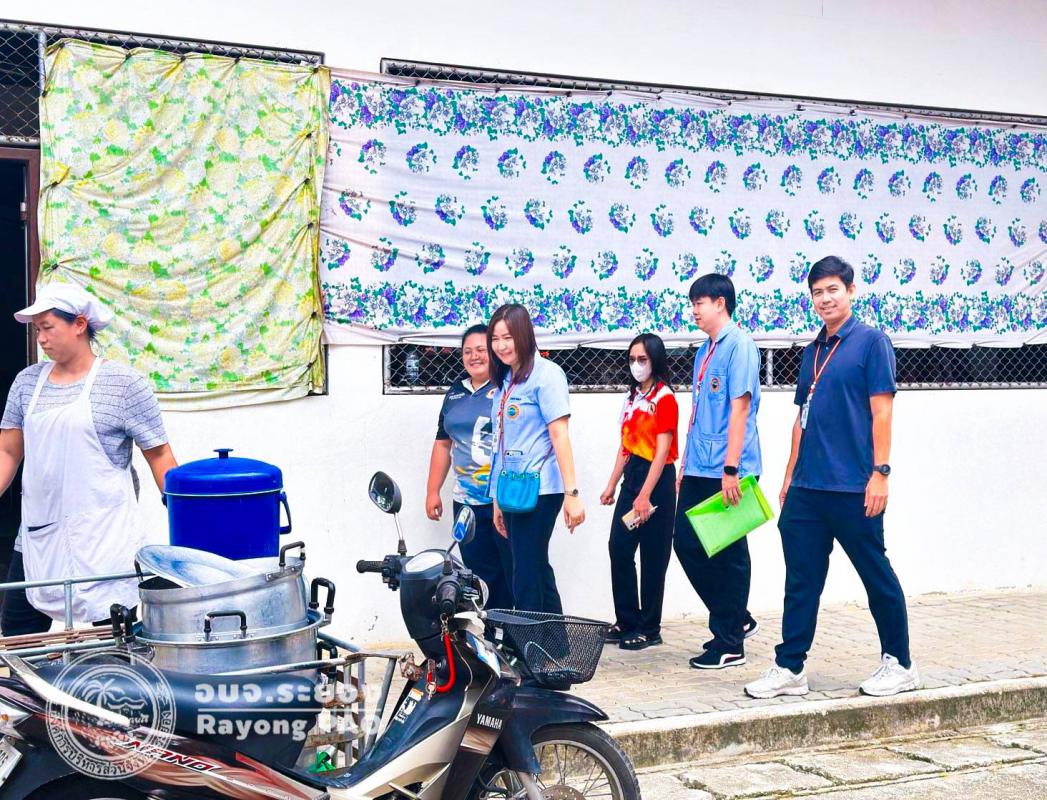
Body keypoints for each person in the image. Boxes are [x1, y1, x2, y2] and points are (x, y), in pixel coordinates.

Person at [745, 256, 919, 700]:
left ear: (850, 290)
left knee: (875, 574)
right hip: (808, 488)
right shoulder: (812, 351)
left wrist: (881, 473)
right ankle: (790, 667)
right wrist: (789, 476)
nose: (825, 299)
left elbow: (882, 412)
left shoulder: (871, 343)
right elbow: (801, 418)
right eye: (817, 292)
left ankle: (900, 663)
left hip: (854, 486)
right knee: (801, 581)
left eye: (832, 290)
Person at [0, 283, 177, 633]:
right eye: (37, 330)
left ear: (79, 324)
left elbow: (160, 457)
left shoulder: (124, 385)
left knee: (115, 638)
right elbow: (8, 451)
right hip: (39, 534)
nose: (41, 339)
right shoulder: (27, 383)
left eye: (48, 327)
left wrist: (189, 517)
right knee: (17, 633)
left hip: (106, 537)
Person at [673, 274, 762, 670]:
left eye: (700, 303)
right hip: (699, 465)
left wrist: (731, 469)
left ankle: (729, 642)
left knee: (728, 554)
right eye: (693, 303)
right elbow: (699, 413)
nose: (694, 310)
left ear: (721, 303)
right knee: (686, 543)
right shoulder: (704, 351)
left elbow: (739, 410)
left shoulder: (739, 345)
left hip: (728, 466)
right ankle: (735, 617)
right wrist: (686, 465)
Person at [488, 304, 585, 613]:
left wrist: (572, 494)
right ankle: (555, 641)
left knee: (526, 574)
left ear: (523, 335)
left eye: (507, 337)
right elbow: (500, 443)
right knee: (536, 569)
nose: (501, 346)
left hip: (541, 489)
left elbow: (560, 435)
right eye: (495, 339)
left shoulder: (547, 375)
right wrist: (496, 498)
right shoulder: (506, 379)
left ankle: (529, 640)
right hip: (512, 490)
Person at [425, 323, 514, 610]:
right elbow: (443, 443)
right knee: (478, 575)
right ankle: (489, 629)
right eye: (467, 351)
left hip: (504, 498)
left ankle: (518, 630)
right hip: (466, 501)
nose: (474, 356)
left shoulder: (509, 388)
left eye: (481, 350)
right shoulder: (455, 393)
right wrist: (432, 491)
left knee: (513, 570)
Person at [600, 333, 678, 650]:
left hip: (656, 482)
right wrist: (611, 484)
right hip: (632, 477)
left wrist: (645, 494)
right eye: (632, 359)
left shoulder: (665, 398)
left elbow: (662, 451)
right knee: (619, 547)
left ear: (655, 360)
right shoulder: (633, 397)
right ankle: (627, 620)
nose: (636, 365)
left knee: (653, 555)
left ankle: (649, 627)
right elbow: (626, 445)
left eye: (642, 359)